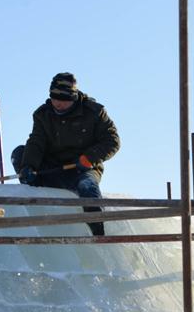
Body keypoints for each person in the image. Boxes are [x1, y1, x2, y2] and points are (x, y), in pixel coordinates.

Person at [11, 72, 120, 235]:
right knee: (20, 153)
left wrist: (89, 158)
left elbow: (112, 141)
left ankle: (98, 233)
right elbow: (36, 142)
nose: (59, 104)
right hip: (52, 170)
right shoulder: (42, 114)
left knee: (87, 188)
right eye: (55, 98)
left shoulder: (95, 112)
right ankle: (38, 204)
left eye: (64, 100)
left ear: (73, 98)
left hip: (81, 169)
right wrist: (28, 166)